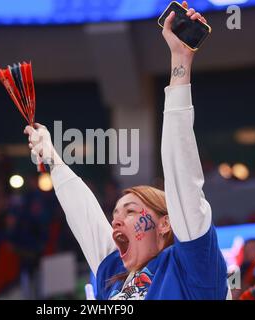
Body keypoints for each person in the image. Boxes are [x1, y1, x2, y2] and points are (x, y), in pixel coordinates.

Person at [24, 1, 228, 300]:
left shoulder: (192, 268)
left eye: (131, 211)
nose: (116, 220)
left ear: (166, 224)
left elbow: (181, 175)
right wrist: (53, 159)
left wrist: (180, 61)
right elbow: (85, 217)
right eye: (117, 212)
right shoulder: (112, 278)